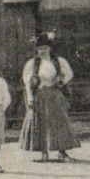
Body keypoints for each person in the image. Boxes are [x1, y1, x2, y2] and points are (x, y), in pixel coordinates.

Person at [19, 33, 75, 162]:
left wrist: (61, 81)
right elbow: (27, 82)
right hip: (40, 95)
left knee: (59, 122)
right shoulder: (32, 64)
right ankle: (44, 153)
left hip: (55, 94)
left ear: (50, 48)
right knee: (41, 123)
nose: (42, 51)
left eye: (45, 48)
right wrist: (30, 99)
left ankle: (62, 152)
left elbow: (69, 74)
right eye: (40, 48)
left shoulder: (58, 61)